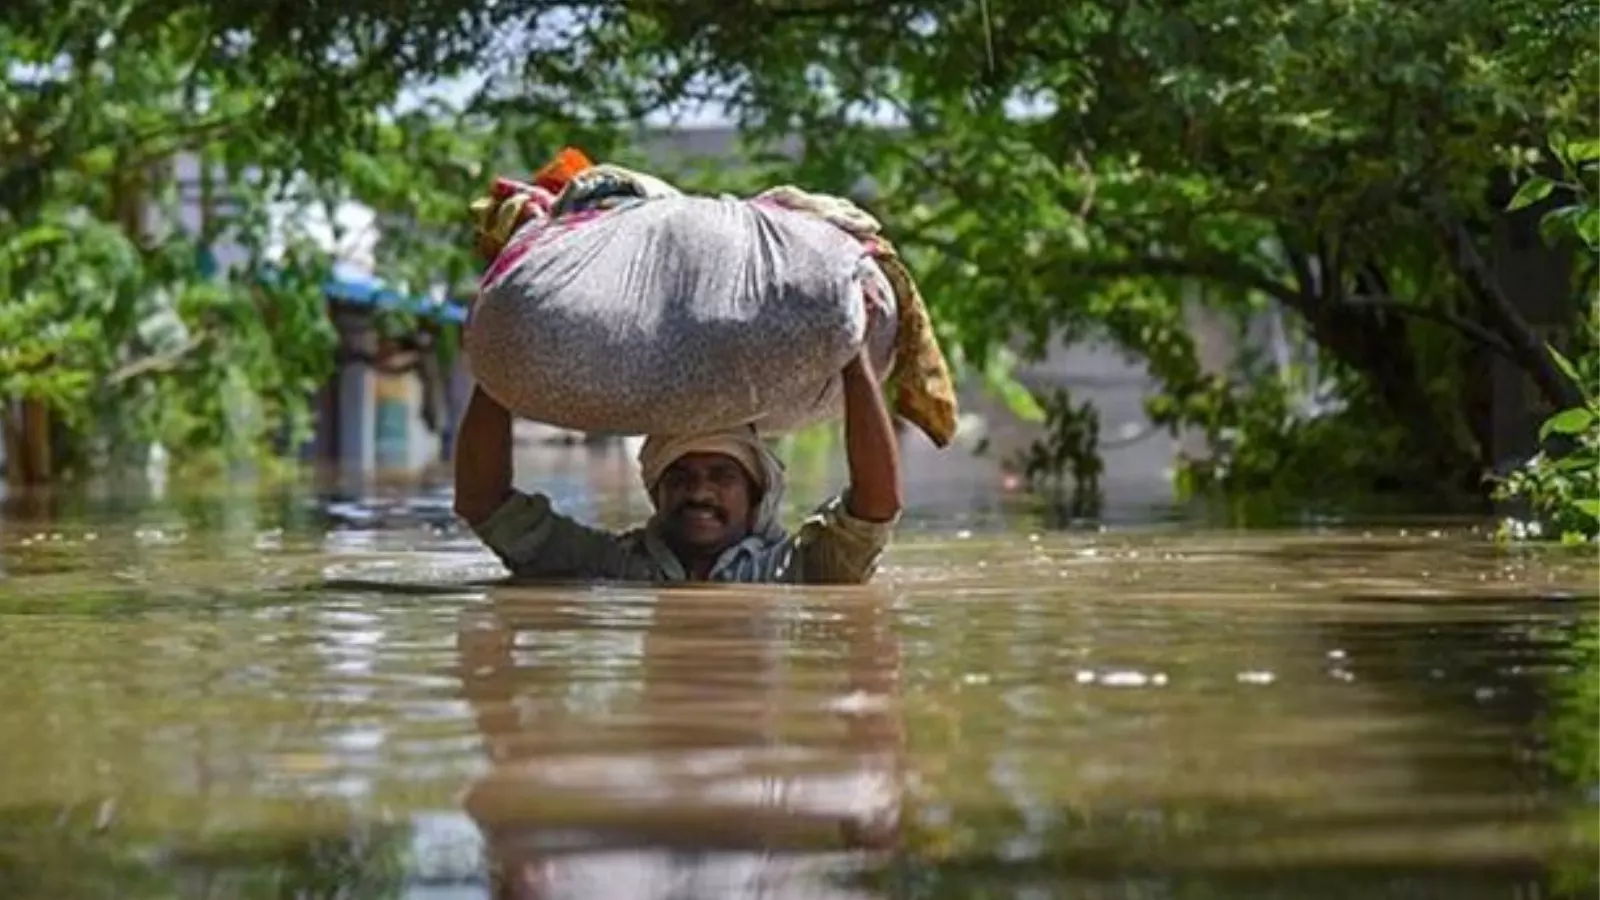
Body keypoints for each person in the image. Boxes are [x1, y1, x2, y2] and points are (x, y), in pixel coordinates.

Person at [452, 347, 902, 584]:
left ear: (755, 493)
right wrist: (497, 361)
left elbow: (877, 508)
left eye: (722, 476)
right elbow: (483, 503)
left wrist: (853, 356)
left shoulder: (795, 569)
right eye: (681, 477)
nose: (700, 493)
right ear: (656, 490)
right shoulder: (611, 565)